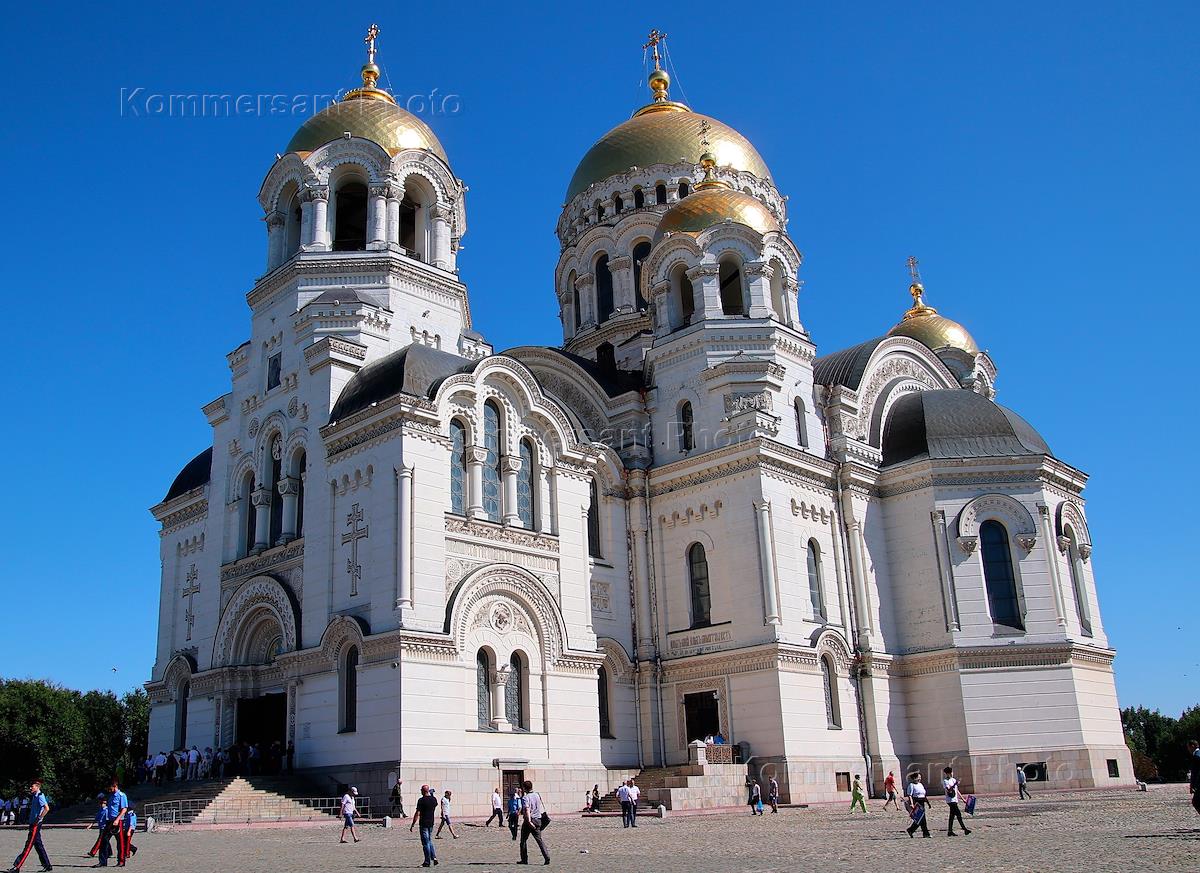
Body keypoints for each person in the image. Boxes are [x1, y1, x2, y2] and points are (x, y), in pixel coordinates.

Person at [9, 779, 51, 873]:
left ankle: (17, 866)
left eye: (32, 786)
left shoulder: (40, 796)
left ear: (37, 787)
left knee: (28, 846)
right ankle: (47, 865)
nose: (30, 788)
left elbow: (47, 808)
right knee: (38, 846)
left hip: (35, 824)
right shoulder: (35, 796)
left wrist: (39, 818)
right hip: (33, 823)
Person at [518, 780, 549, 866]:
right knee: (539, 840)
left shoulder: (526, 798)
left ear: (524, 788)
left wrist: (529, 821)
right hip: (538, 819)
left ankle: (524, 859)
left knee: (523, 840)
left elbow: (527, 810)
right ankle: (547, 857)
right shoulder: (537, 795)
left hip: (529, 820)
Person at [99, 779, 129, 868]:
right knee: (104, 840)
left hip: (118, 821)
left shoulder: (121, 795)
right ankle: (102, 862)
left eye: (110, 788)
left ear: (114, 786)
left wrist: (117, 819)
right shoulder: (111, 796)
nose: (109, 789)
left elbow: (124, 809)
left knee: (120, 842)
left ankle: (121, 861)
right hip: (109, 821)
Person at [410, 785, 439, 867]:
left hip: (423, 823)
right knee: (429, 840)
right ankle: (434, 857)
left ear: (423, 791)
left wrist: (413, 824)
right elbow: (435, 804)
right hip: (431, 822)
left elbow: (417, 813)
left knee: (425, 843)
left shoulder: (421, 800)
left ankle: (427, 862)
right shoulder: (434, 799)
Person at [942, 767, 971, 836]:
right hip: (950, 800)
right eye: (951, 772)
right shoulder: (945, 781)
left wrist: (963, 799)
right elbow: (948, 789)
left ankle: (950, 831)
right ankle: (964, 829)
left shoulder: (953, 780)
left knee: (952, 815)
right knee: (958, 814)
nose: (952, 773)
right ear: (948, 773)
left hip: (955, 799)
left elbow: (956, 790)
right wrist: (955, 784)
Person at [905, 773, 930, 838]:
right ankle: (926, 833)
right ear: (914, 778)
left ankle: (911, 830)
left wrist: (928, 803)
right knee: (922, 818)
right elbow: (910, 795)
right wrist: (912, 804)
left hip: (922, 801)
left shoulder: (920, 784)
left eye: (920, 777)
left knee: (920, 818)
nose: (920, 779)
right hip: (917, 802)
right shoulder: (911, 785)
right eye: (918, 777)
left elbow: (923, 794)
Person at [85, 795, 108, 860]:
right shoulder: (100, 810)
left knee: (100, 840)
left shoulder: (107, 810)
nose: (101, 804)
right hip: (101, 827)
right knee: (105, 840)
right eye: (101, 803)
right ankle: (109, 852)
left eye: (103, 803)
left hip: (105, 828)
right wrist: (91, 825)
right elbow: (96, 818)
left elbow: (108, 820)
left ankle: (93, 852)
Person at [1188, 739, 1200, 815]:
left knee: (1196, 802)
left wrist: (1193, 786)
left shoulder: (1197, 756)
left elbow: (1195, 773)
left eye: (1188, 747)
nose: (1188, 750)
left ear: (1192, 746)